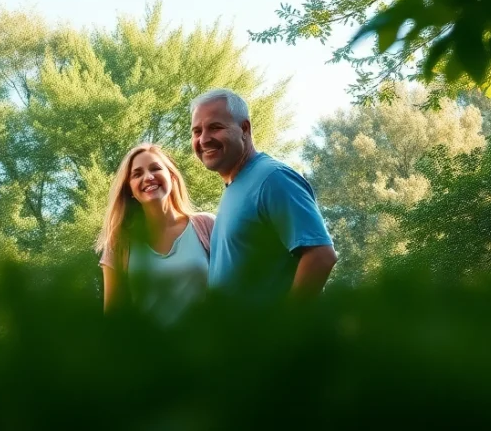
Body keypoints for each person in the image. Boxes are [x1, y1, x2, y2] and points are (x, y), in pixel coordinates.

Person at [190, 88, 337, 300]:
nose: (204, 139)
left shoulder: (272, 178)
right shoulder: (236, 186)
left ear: (244, 128)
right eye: (197, 131)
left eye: (215, 127)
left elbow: (321, 256)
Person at [96, 143, 215, 325]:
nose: (148, 177)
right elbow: (113, 317)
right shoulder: (119, 242)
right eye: (137, 174)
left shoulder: (206, 225)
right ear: (130, 189)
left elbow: (234, 289)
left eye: (155, 168)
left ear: (172, 177)